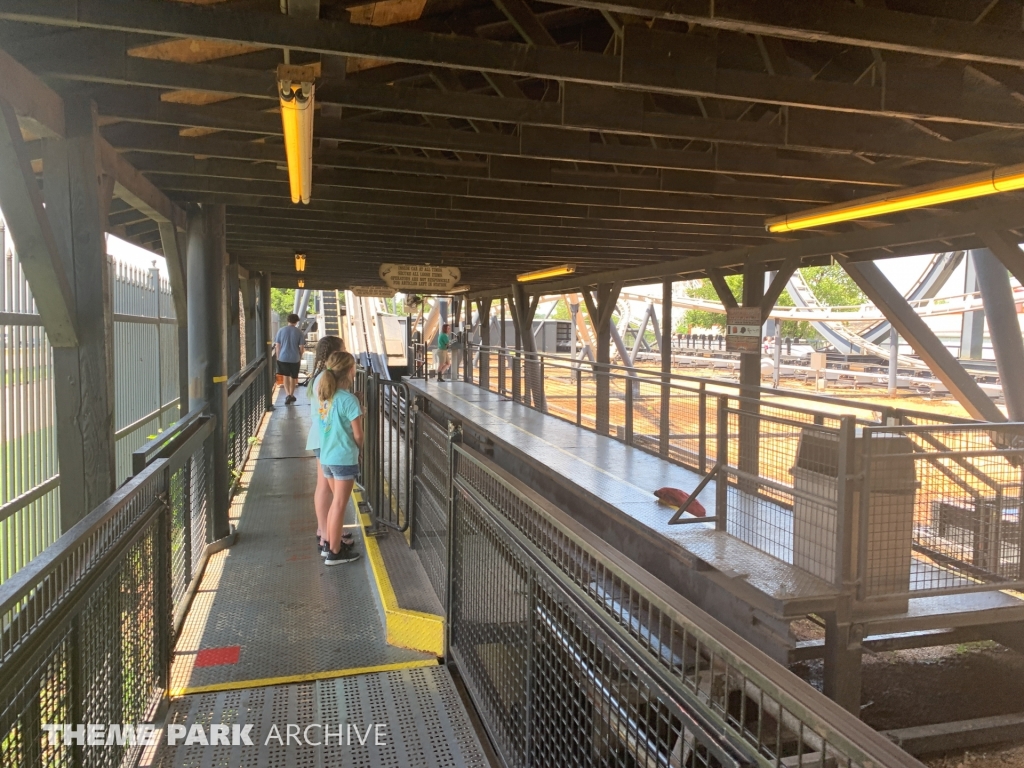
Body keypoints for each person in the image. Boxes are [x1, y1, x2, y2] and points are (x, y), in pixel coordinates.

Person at [306, 336, 353, 557]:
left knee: (324, 486)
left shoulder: (320, 377)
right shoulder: (324, 378)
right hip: (325, 437)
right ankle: (326, 534)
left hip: (320, 436)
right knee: (325, 487)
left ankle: (326, 531)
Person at [316, 351, 363, 565]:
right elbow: (358, 434)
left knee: (335, 502)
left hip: (327, 457)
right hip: (343, 458)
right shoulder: (349, 400)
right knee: (339, 504)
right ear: (351, 370)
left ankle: (329, 543)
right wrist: (360, 448)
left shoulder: (326, 396)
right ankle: (335, 552)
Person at [274, 313, 304, 404]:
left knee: (285, 376)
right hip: (295, 358)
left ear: (288, 320)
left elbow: (277, 346)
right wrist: (300, 356)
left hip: (283, 357)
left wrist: (278, 357)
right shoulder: (299, 332)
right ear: (296, 321)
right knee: (293, 377)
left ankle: (287, 395)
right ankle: (291, 394)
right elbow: (301, 347)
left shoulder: (281, 330)